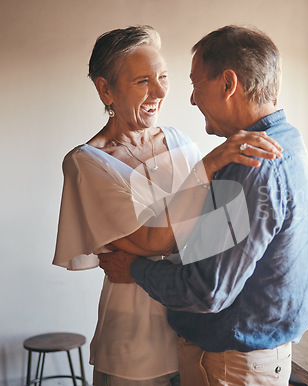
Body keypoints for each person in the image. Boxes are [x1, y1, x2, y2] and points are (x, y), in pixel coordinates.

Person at [52, 25, 282, 385]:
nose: (160, 91)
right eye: (143, 80)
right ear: (105, 89)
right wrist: (207, 166)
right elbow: (151, 241)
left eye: (162, 77)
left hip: (199, 332)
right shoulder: (87, 162)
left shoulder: (177, 139)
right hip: (135, 338)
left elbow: (212, 225)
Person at [100, 25, 308, 385]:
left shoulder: (248, 165)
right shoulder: (288, 142)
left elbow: (205, 290)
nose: (191, 99)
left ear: (227, 84)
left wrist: (134, 268)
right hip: (261, 361)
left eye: (196, 83)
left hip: (229, 368)